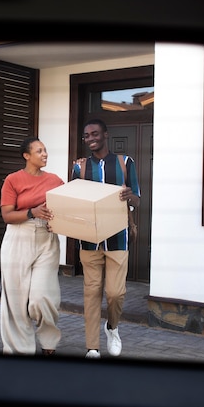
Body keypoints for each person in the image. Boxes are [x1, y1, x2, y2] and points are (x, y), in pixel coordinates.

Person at [72, 118, 141, 359]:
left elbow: (137, 200)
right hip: (88, 242)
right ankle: (92, 347)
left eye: (94, 134)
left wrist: (129, 195)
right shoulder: (79, 168)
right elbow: (74, 202)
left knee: (115, 293)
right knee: (91, 294)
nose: (90, 139)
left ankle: (112, 327)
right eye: (86, 136)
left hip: (118, 239)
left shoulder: (125, 163)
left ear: (106, 135)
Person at [0, 136, 65, 356]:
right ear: (26, 156)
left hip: (47, 239)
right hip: (19, 236)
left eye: (45, 150)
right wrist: (31, 212)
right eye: (39, 151)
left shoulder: (55, 180)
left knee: (43, 295)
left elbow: (69, 205)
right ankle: (20, 350)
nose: (45, 154)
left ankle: (49, 341)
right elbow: (7, 215)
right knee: (16, 299)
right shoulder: (13, 180)